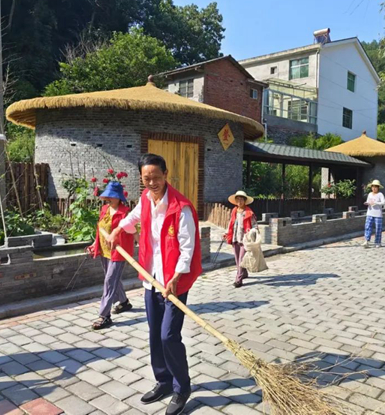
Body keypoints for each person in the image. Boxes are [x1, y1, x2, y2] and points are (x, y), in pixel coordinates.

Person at [107, 154, 202, 415]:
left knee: (168, 335)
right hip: (151, 279)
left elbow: (187, 248)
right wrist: (117, 230)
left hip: (175, 282)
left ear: (165, 174)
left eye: (156, 177)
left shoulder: (181, 207)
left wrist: (175, 277)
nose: (152, 183)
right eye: (146, 178)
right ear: (141, 178)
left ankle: (182, 387)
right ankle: (163, 381)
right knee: (154, 333)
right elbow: (132, 219)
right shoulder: (145, 200)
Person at [86, 181, 134, 330]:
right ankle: (124, 303)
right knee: (112, 279)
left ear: (119, 197)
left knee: (109, 281)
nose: (109, 198)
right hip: (104, 250)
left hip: (118, 251)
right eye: (108, 196)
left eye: (112, 196)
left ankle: (104, 316)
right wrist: (95, 244)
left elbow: (134, 232)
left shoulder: (125, 213)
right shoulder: (105, 209)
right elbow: (100, 229)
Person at [224, 190, 257, 288]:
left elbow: (255, 225)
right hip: (235, 238)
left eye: (241, 199)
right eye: (237, 199)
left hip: (244, 239)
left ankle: (238, 280)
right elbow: (231, 223)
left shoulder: (249, 212)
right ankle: (244, 273)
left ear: (245, 201)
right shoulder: (234, 211)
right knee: (237, 259)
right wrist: (226, 233)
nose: (239, 201)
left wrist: (253, 233)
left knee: (241, 259)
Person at [362, 180, 385, 248]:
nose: (374, 188)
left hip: (378, 214)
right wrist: (367, 203)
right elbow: (368, 201)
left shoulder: (380, 194)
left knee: (378, 228)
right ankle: (367, 241)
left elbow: (383, 202)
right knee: (367, 227)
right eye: (373, 187)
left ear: (378, 188)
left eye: (376, 187)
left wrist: (376, 203)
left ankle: (377, 242)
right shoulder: (370, 194)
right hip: (370, 213)